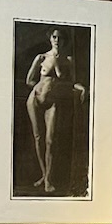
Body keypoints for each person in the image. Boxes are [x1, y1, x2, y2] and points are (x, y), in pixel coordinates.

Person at [25, 28, 78, 195]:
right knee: (38, 137)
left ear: (64, 41)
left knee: (51, 140)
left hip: (53, 102)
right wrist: (40, 89)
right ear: (50, 39)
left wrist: (82, 88)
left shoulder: (69, 60)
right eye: (54, 37)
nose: (57, 40)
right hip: (35, 99)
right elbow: (29, 80)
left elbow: (72, 83)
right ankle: (44, 176)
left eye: (60, 37)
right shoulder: (41, 58)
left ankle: (48, 178)